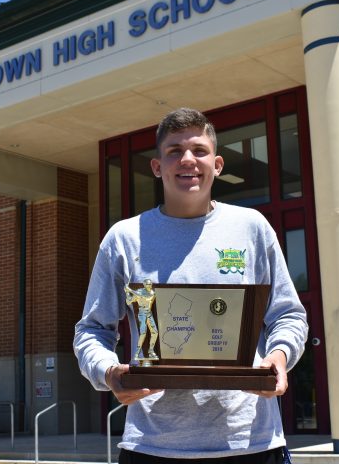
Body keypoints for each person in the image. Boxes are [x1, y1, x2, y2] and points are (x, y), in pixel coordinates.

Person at [74, 108, 308, 463]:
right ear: (157, 167)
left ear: (216, 165)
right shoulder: (124, 239)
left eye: (199, 150)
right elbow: (91, 330)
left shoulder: (251, 228)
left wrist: (279, 356)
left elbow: (288, 314)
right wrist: (109, 372)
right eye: (174, 151)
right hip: (152, 446)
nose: (187, 159)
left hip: (252, 442)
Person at [124, 279, 159, 362]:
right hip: (142, 313)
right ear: (144, 284)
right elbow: (129, 302)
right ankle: (137, 351)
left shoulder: (152, 293)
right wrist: (127, 293)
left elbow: (145, 297)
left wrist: (130, 290)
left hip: (149, 313)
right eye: (147, 284)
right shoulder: (139, 292)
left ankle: (151, 350)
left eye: (150, 284)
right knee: (143, 333)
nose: (149, 286)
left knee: (155, 332)